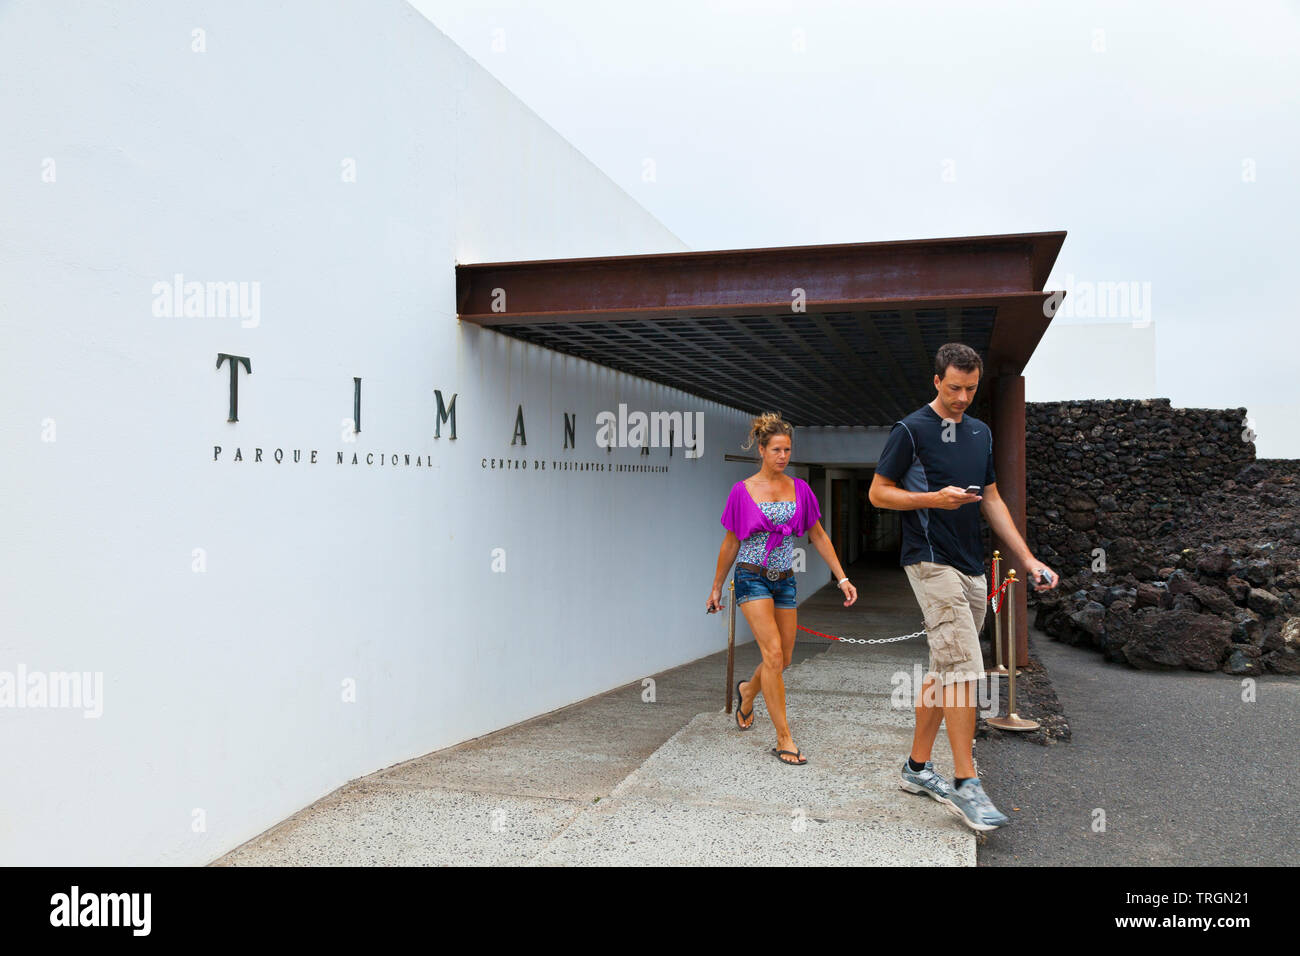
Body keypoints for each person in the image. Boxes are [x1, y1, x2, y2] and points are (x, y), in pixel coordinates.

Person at [869, 343, 1058, 831]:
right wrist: (933, 498)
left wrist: (1027, 557)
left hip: (972, 565)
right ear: (937, 381)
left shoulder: (981, 433)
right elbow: (878, 493)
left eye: (971, 389)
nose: (962, 397)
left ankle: (915, 769)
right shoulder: (910, 430)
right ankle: (965, 782)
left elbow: (992, 499)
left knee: (944, 669)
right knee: (965, 669)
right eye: (954, 387)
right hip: (929, 561)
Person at [708, 413, 858, 765]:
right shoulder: (742, 492)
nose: (783, 456)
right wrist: (716, 588)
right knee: (772, 655)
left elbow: (818, 535)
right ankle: (784, 738)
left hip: (785, 579)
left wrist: (842, 577)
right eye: (776, 449)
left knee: (784, 659)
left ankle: (748, 691)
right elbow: (731, 543)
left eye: (787, 449)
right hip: (751, 576)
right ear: (761, 449)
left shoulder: (800, 490)